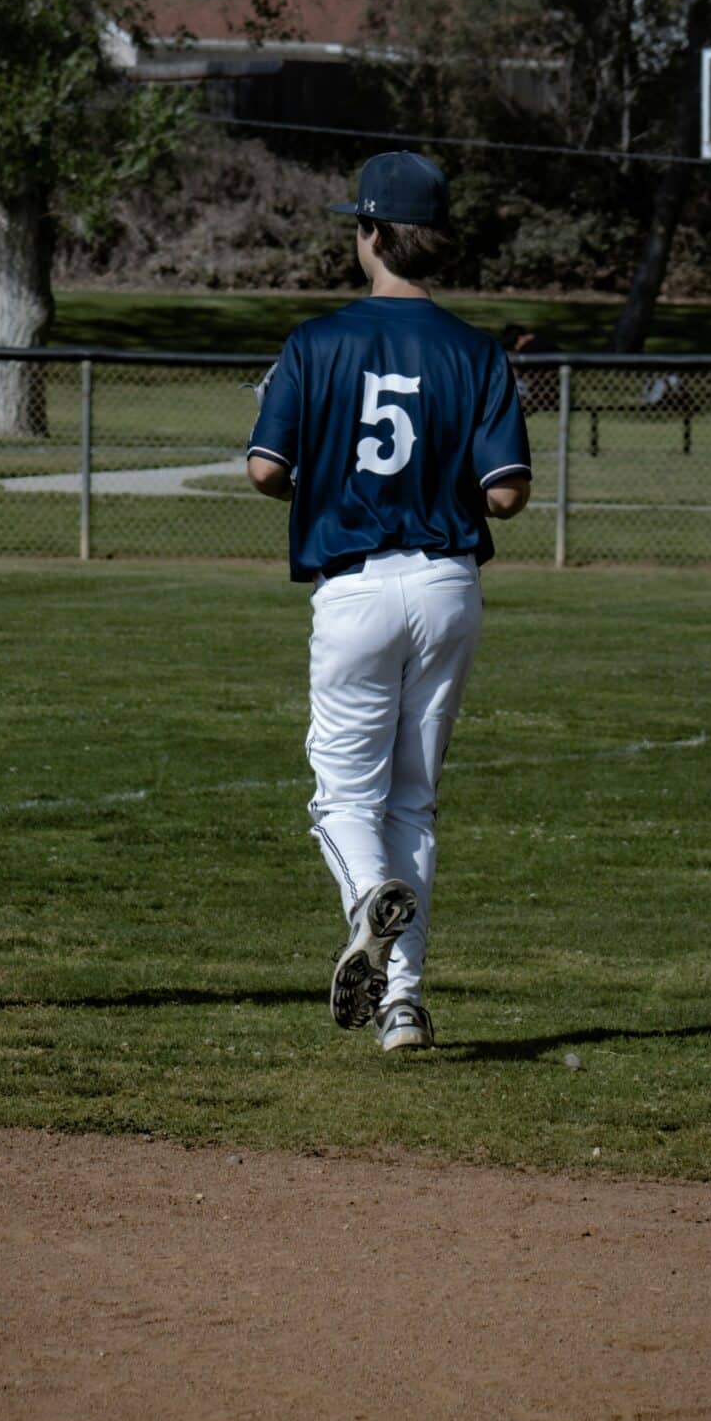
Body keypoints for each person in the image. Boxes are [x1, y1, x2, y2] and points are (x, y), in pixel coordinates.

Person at [245, 151, 531, 1053]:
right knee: (412, 801)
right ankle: (401, 1002)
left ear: (368, 235)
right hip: (448, 584)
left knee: (341, 801)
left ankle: (370, 903)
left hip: (357, 581)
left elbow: (265, 470)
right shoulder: (477, 350)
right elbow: (506, 494)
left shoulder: (314, 342)